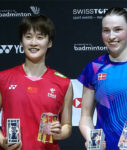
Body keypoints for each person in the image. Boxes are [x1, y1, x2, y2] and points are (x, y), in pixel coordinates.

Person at [78, 7, 127, 150]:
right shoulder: (93, 68)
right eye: (106, 30)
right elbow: (85, 117)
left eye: (118, 29)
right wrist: (91, 139)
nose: (111, 36)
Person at [0, 15, 73, 150]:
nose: (33, 43)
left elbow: (67, 125)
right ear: (21, 42)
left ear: (49, 42)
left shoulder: (64, 83)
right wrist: (2, 141)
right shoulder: (3, 78)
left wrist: (60, 133)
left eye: (40, 37)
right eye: (28, 37)